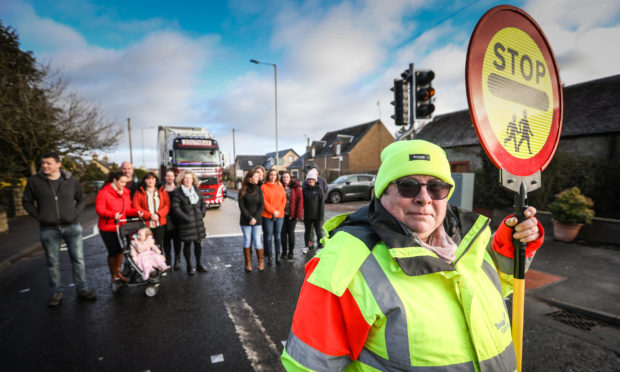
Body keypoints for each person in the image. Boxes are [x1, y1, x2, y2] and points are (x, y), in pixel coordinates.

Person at [282, 140, 544, 371]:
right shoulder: (343, 264)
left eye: (436, 187)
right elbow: (308, 366)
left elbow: (496, 292)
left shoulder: (470, 239)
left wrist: (508, 249)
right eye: (408, 186)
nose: (424, 198)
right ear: (381, 193)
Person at [22, 152, 96, 307]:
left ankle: (82, 289)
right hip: (48, 228)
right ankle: (56, 292)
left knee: (78, 260)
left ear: (58, 164)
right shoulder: (35, 181)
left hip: (72, 226)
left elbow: (81, 198)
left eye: (48, 163)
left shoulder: (70, 179)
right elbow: (27, 202)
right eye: (43, 163)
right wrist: (39, 216)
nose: (44, 166)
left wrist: (75, 213)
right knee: (53, 262)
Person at [96, 171, 142, 284]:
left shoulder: (126, 192)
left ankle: (119, 272)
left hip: (121, 227)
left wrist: (137, 212)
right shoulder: (104, 192)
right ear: (114, 180)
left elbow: (127, 210)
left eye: (125, 182)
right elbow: (99, 210)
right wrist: (113, 215)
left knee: (121, 250)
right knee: (113, 251)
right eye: (121, 182)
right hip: (108, 227)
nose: (123, 184)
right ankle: (114, 275)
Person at [171, 170, 208, 275]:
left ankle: (199, 264)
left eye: (190, 178)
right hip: (186, 224)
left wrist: (202, 213)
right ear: (182, 179)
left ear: (193, 180)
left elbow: (203, 204)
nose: (188, 180)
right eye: (186, 178)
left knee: (198, 244)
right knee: (187, 245)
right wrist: (186, 217)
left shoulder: (196, 190)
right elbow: (175, 208)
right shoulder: (178, 192)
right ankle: (189, 266)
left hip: (197, 223)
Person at [132, 172, 170, 249]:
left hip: (159, 223)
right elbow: (136, 206)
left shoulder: (162, 191)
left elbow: (167, 205)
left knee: (158, 246)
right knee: (145, 247)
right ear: (145, 180)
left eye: (153, 179)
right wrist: (149, 215)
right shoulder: (139, 192)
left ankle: (158, 260)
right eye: (148, 179)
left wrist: (158, 215)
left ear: (156, 180)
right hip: (145, 224)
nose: (150, 181)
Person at [238, 169, 265, 272]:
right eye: (256, 176)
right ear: (250, 179)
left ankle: (260, 262)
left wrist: (255, 218)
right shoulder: (242, 191)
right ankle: (248, 263)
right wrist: (250, 218)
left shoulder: (259, 190)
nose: (258, 178)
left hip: (257, 221)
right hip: (245, 221)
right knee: (247, 241)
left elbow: (261, 205)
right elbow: (242, 207)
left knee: (258, 242)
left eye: (258, 176)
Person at [261, 168, 286, 265]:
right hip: (267, 215)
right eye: (271, 174)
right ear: (268, 175)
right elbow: (264, 201)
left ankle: (278, 255)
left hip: (279, 215)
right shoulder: (263, 187)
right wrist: (272, 211)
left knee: (278, 236)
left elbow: (283, 200)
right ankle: (269, 256)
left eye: (275, 175)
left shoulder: (280, 186)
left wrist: (278, 211)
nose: (273, 176)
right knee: (268, 237)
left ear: (277, 176)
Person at [162, 169, 182, 270]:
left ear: (174, 177)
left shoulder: (178, 189)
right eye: (168, 176)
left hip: (177, 219)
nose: (170, 177)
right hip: (165, 218)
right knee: (166, 241)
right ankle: (168, 260)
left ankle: (177, 260)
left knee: (177, 240)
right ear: (165, 177)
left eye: (171, 176)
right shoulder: (161, 189)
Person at [280, 171, 303, 261]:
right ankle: (284, 251)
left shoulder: (296, 188)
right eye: (284, 177)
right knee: (282, 234)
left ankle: (291, 252)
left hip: (292, 215)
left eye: (287, 177)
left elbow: (300, 202)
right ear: (282, 178)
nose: (285, 179)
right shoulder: (279, 187)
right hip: (282, 215)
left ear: (290, 178)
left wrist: (298, 215)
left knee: (291, 233)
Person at [301, 170, 324, 254]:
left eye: (312, 179)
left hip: (318, 216)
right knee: (308, 232)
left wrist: (321, 215)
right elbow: (302, 203)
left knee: (319, 232)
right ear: (307, 180)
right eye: (309, 179)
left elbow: (322, 203)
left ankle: (320, 246)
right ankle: (308, 245)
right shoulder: (304, 190)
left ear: (315, 180)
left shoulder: (319, 189)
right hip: (307, 215)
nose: (310, 180)